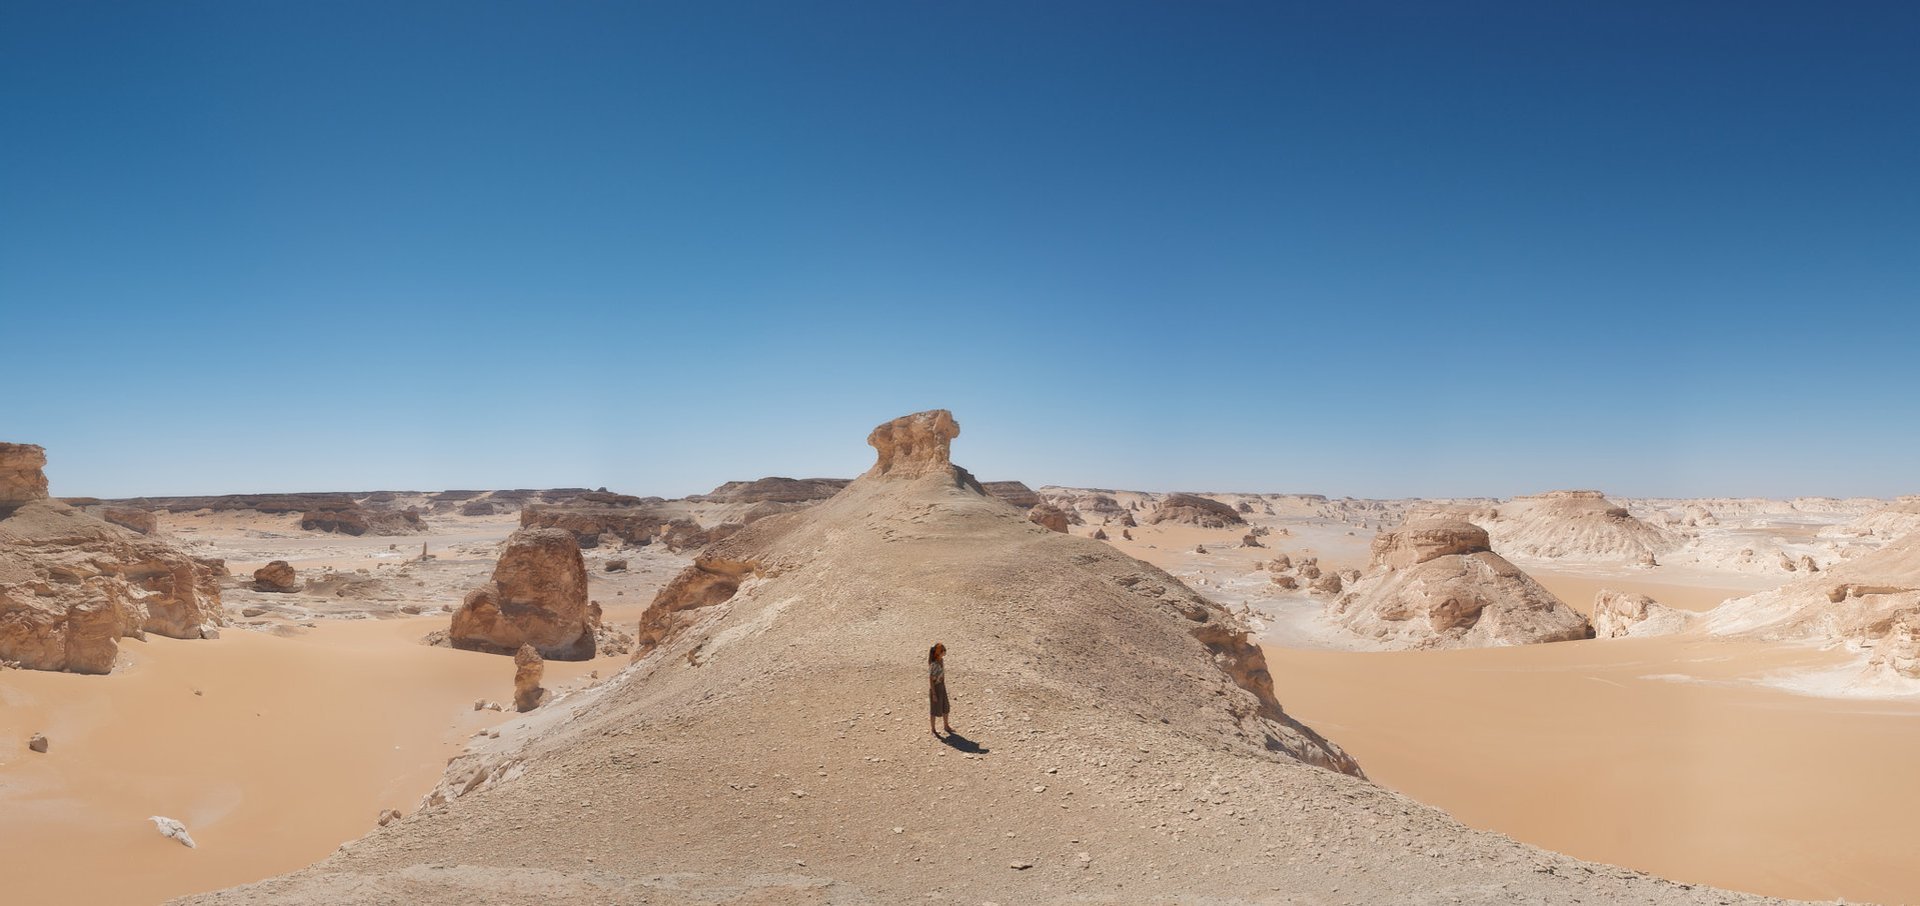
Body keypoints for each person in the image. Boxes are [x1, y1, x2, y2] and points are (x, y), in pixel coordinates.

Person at [928, 642, 954, 737]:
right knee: (934, 710)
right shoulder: (934, 664)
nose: (945, 653)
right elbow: (931, 680)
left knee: (945, 707)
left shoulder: (941, 660)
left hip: (942, 686)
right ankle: (933, 729)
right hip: (936, 688)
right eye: (943, 651)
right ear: (939, 652)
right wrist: (934, 694)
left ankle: (946, 726)